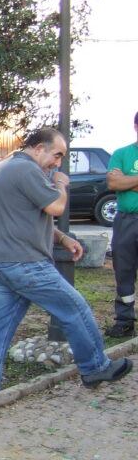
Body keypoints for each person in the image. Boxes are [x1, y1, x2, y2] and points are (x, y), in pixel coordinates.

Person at [0, 128, 131, 398]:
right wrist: (60, 183)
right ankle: (95, 367)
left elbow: (26, 216)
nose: (57, 162)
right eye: (57, 155)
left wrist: (61, 238)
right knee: (75, 309)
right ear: (38, 149)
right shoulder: (28, 170)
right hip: (25, 263)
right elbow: (55, 207)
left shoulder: (10, 170)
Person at [106, 111, 138, 338]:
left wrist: (128, 181)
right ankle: (125, 320)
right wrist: (122, 183)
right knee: (123, 270)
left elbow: (121, 181)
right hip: (126, 220)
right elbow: (113, 182)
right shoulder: (122, 153)